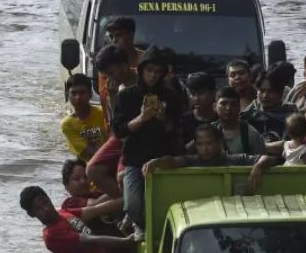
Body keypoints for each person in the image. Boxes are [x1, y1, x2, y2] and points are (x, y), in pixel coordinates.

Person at [112, 47, 186, 229]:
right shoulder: (126, 96)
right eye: (149, 71)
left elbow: (177, 128)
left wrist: (163, 118)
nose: (153, 76)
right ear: (141, 70)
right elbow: (119, 130)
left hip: (164, 159)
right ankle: (142, 228)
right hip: (135, 160)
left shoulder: (170, 96)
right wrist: (141, 118)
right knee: (133, 206)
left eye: (157, 72)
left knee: (167, 206)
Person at [142, 124, 279, 191]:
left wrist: (258, 166)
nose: (204, 148)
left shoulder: (234, 159)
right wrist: (156, 162)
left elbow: (267, 158)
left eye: (208, 143)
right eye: (200, 144)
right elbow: (172, 161)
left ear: (219, 143)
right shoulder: (191, 160)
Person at [87, 45, 138, 199]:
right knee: (92, 170)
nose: (109, 79)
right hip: (122, 134)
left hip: (139, 135)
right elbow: (116, 122)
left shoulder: (144, 80)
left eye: (110, 73)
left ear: (123, 66)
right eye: (106, 75)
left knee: (122, 175)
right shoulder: (115, 89)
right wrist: (113, 96)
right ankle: (124, 204)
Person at [240, 67, 298, 142]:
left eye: (271, 91)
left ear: (280, 93)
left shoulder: (292, 117)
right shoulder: (249, 116)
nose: (265, 96)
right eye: (262, 91)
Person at [61, 74, 107, 162]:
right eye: (74, 93)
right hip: (86, 164)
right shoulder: (68, 125)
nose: (78, 97)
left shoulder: (103, 113)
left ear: (90, 94)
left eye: (82, 93)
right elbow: (89, 153)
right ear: (67, 95)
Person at [212, 87, 265, 155]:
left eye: (233, 104)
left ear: (239, 107)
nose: (228, 108)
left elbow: (261, 160)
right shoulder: (208, 131)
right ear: (214, 107)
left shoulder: (251, 134)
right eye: (223, 104)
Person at [180, 72, 219, 145]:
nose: (196, 98)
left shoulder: (221, 120)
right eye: (192, 94)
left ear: (213, 93)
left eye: (201, 93)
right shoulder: (183, 122)